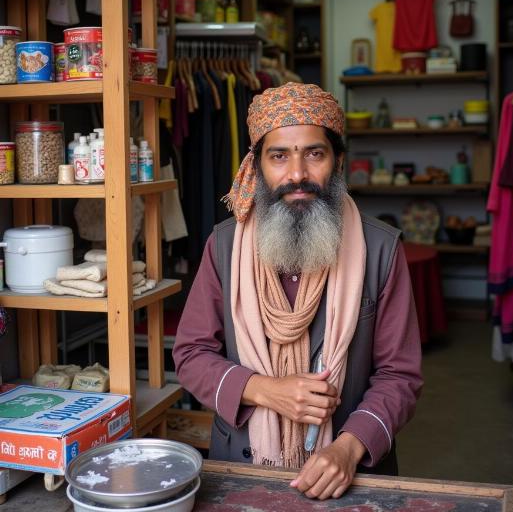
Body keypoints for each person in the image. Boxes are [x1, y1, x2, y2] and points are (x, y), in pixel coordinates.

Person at [173, 83, 422, 500]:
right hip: (242, 464)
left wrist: (349, 446)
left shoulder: (381, 250)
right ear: (257, 166)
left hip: (349, 472)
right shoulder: (223, 245)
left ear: (337, 161)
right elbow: (191, 354)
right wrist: (267, 390)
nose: (297, 175)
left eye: (314, 154)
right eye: (279, 156)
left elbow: (400, 376)